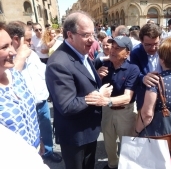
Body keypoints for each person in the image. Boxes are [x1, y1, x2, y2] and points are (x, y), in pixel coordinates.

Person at [45, 10, 113, 169]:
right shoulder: (58, 63)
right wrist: (98, 95)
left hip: (88, 130)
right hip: (75, 135)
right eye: (86, 35)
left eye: (93, 34)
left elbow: (82, 73)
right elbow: (67, 106)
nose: (92, 40)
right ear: (70, 35)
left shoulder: (81, 52)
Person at [5, 21, 62, 163]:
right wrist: (20, 58)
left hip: (41, 101)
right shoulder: (7, 61)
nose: (31, 43)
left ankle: (48, 152)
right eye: (28, 40)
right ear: (17, 39)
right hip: (24, 108)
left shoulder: (33, 55)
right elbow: (11, 81)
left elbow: (42, 74)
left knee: (45, 129)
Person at [134, 37, 171, 168]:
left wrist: (136, 131)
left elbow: (147, 114)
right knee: (168, 158)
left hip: (157, 131)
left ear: (162, 59)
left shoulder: (156, 82)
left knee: (154, 162)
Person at [96, 36, 140, 169]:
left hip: (125, 112)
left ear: (127, 53)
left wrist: (104, 100)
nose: (113, 51)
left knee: (127, 144)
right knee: (109, 142)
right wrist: (98, 77)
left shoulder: (133, 69)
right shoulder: (104, 66)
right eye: (112, 47)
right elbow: (93, 87)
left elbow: (127, 97)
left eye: (118, 48)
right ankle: (112, 164)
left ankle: (127, 166)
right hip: (107, 111)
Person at [0, 21, 40, 150]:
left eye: (11, 44)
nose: (13, 51)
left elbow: (30, 114)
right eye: (4, 47)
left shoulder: (16, 75)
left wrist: (39, 142)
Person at [130, 23, 162, 111]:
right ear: (141, 41)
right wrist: (143, 78)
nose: (153, 48)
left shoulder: (165, 49)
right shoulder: (135, 52)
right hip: (145, 95)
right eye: (148, 45)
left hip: (165, 94)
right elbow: (134, 73)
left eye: (156, 43)